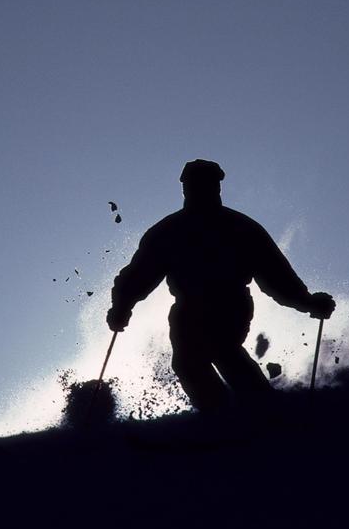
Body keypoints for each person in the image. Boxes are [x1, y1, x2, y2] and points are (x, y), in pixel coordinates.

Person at [106, 159, 335, 410]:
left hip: (230, 304)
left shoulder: (237, 228)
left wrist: (307, 302)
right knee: (191, 362)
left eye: (207, 184)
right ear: (185, 187)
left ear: (217, 186)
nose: (200, 189)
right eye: (194, 184)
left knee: (220, 350)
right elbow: (139, 276)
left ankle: (258, 409)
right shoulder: (171, 232)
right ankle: (224, 414)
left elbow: (276, 276)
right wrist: (122, 307)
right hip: (188, 309)